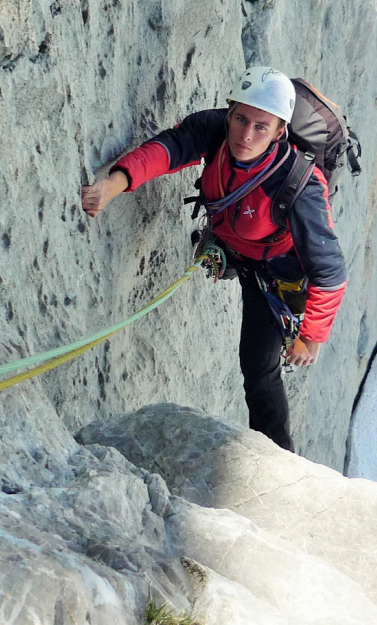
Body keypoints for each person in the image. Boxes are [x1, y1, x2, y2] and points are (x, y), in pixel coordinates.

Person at [80, 66, 347, 451]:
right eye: (240, 119)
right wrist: (114, 184)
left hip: (280, 276)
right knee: (255, 365)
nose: (245, 135)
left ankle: (279, 459)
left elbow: (330, 272)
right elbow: (170, 148)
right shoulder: (215, 131)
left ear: (279, 132)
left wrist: (311, 338)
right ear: (229, 111)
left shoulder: (299, 184)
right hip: (236, 246)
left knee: (258, 369)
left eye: (261, 126)